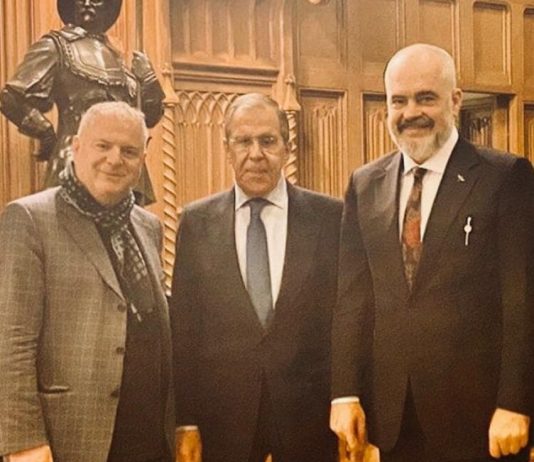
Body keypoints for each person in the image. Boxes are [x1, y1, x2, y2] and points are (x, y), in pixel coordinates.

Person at [330, 43, 534, 462]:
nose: (411, 112)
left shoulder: (504, 177)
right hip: (395, 417)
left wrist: (516, 402)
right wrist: (345, 393)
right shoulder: (365, 185)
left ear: (454, 100)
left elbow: (523, 301)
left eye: (425, 98)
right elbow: (352, 300)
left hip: (482, 421)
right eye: (398, 101)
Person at [170, 93, 341, 462]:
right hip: (223, 420)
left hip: (310, 417)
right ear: (227, 149)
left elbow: (346, 320)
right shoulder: (196, 223)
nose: (256, 154)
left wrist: (348, 399)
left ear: (286, 147)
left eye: (267, 141)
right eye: (243, 141)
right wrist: (185, 420)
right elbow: (184, 328)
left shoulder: (330, 218)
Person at [0, 102, 175, 462]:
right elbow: (11, 341)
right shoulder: (30, 219)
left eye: (129, 151)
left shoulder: (148, 226)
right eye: (103, 146)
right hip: (72, 440)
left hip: (148, 439)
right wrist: (23, 442)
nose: (115, 159)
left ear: (143, 158)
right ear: (76, 147)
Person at [0, 0, 164, 204]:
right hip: (75, 165)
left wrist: (148, 80)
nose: (87, 3)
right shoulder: (56, 45)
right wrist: (46, 133)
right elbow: (12, 97)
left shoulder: (117, 58)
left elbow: (148, 118)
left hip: (123, 170)